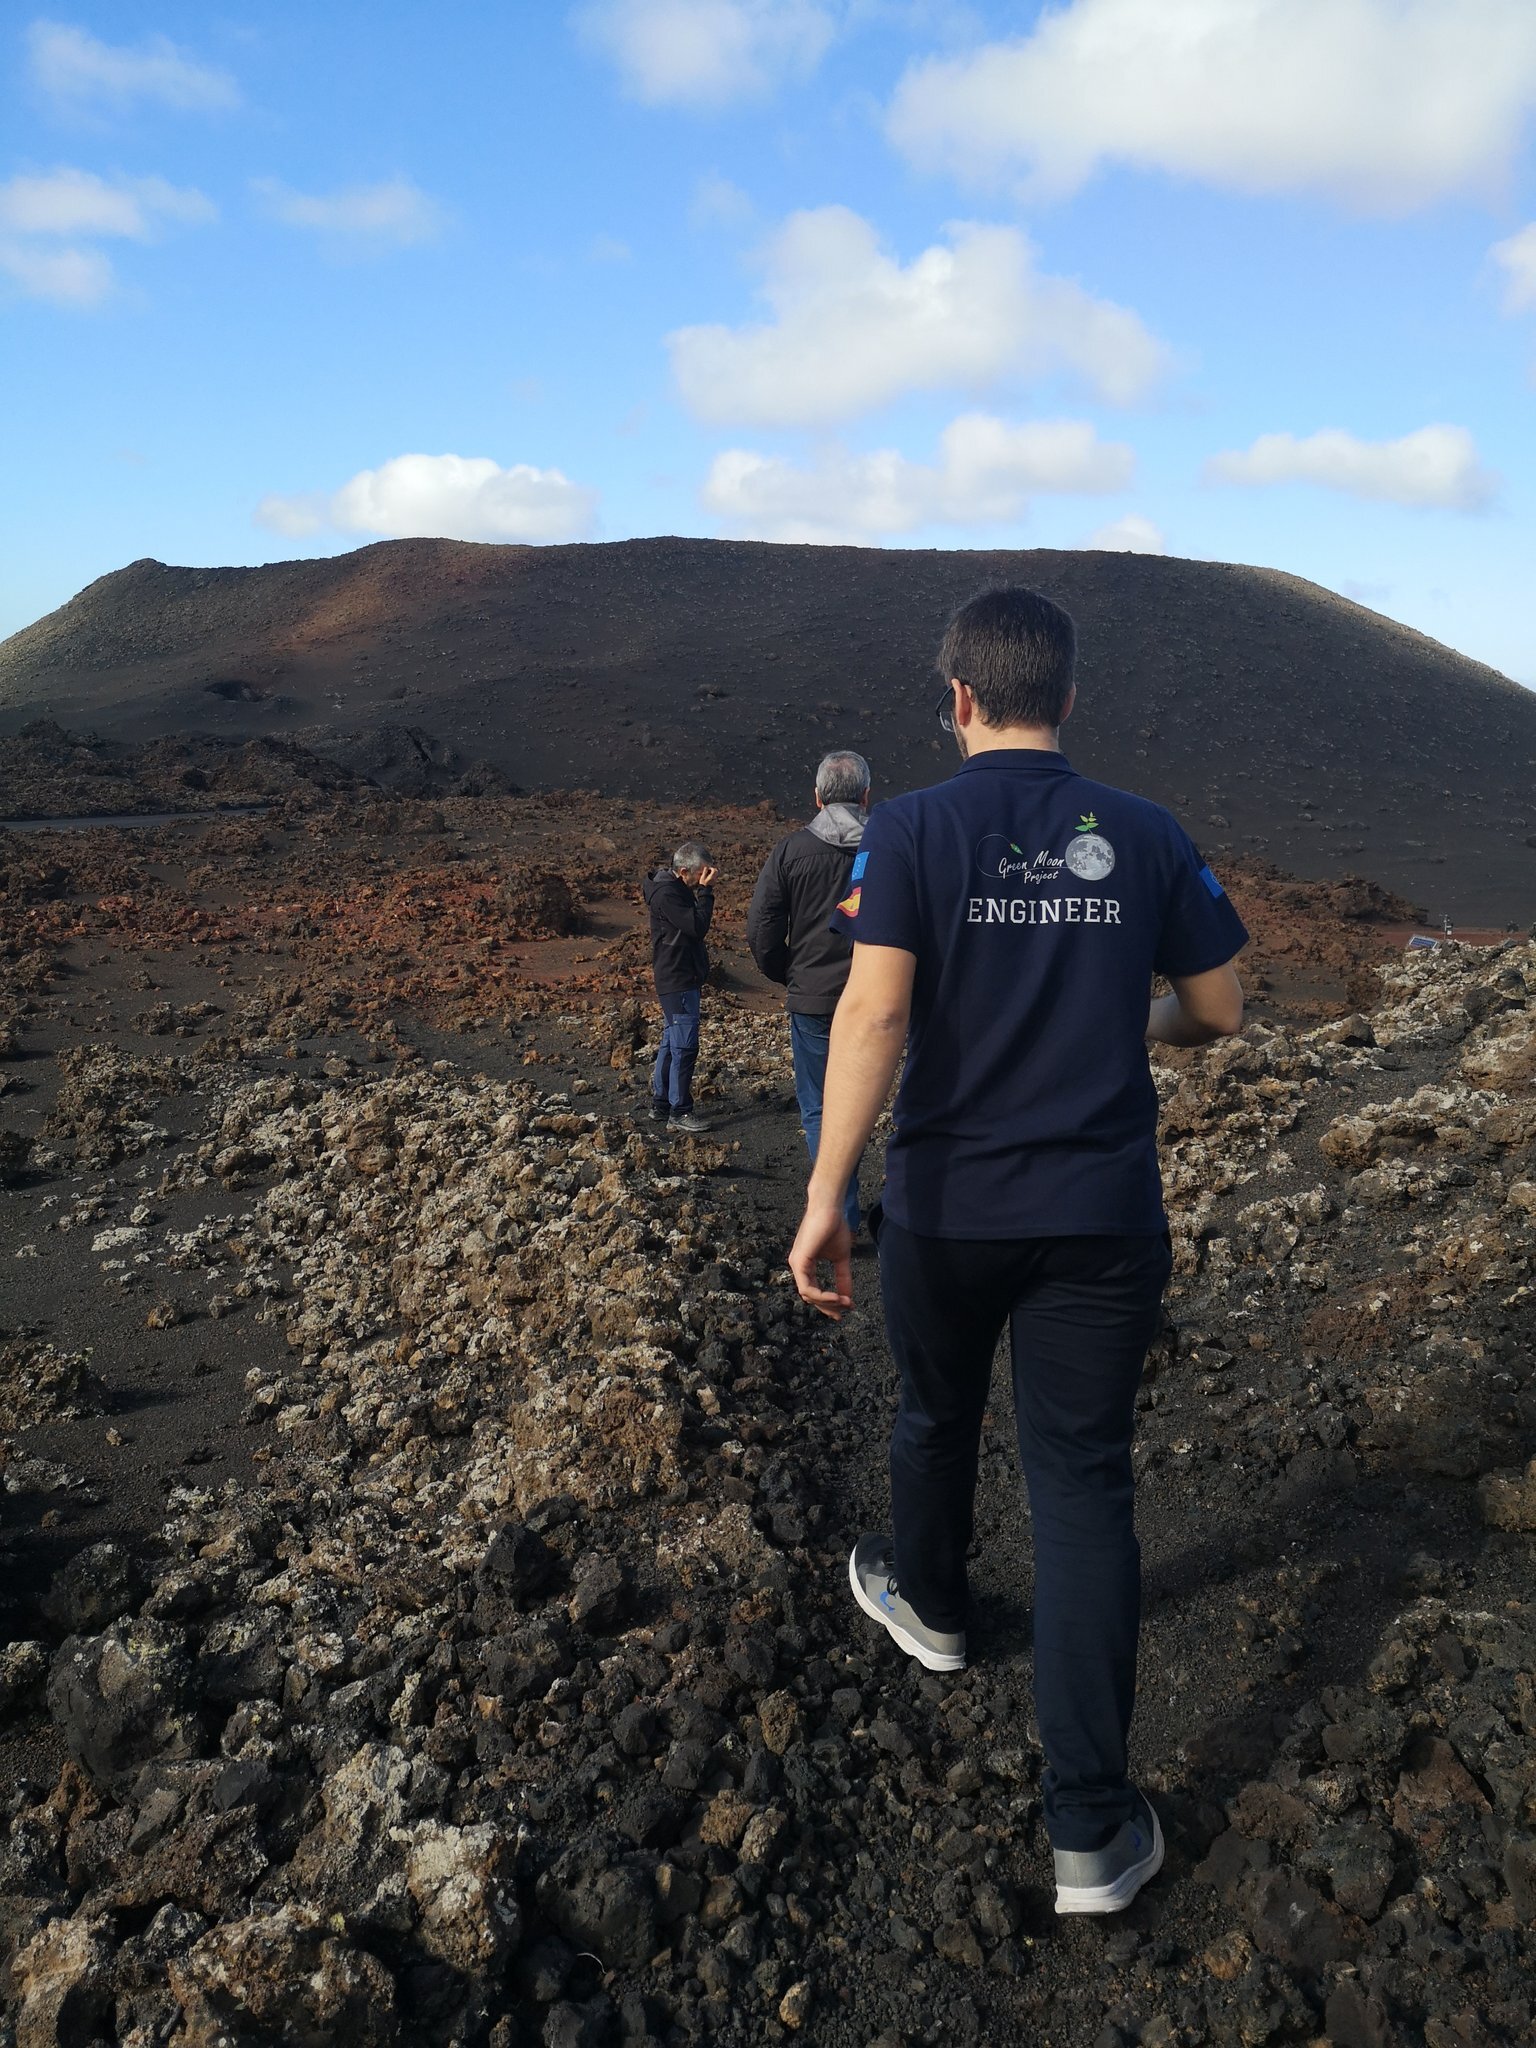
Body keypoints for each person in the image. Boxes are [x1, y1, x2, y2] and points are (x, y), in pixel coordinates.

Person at [787, 586, 1248, 1917]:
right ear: (1066, 701)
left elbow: (872, 1017)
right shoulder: (1147, 834)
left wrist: (828, 1195)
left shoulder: (915, 829)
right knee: (1083, 1487)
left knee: (936, 1409)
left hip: (942, 1207)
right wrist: (1132, 1032)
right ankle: (1093, 1832)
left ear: (961, 701)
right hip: (1100, 1220)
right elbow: (1217, 1005)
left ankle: (930, 1605)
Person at [747, 750, 872, 1234]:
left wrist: (792, 974)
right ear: (866, 796)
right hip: (877, 1001)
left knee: (822, 1108)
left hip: (814, 1001)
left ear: (817, 798)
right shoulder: (889, 847)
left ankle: (838, 1216)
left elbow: (760, 930)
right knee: (873, 1104)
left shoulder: (792, 851)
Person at [643, 842, 716, 1134]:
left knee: (672, 1043)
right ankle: (680, 1111)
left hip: (673, 976)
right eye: (700, 874)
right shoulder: (670, 895)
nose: (704, 879)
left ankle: (661, 1103)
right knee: (685, 1045)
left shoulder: (670, 889)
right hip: (678, 977)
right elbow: (697, 927)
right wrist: (706, 893)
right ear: (683, 871)